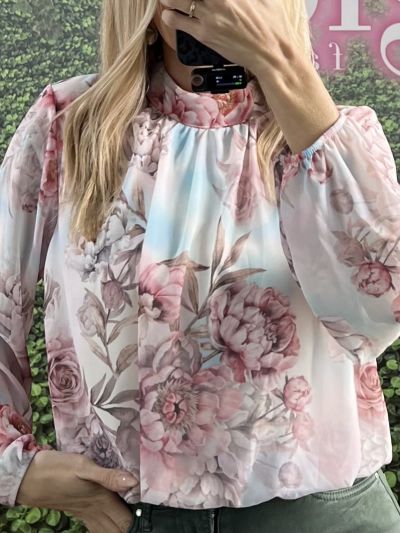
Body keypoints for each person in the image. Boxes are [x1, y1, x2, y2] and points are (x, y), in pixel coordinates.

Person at [1, 0, 400, 531]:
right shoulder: (69, 125)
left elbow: (381, 313)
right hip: (134, 515)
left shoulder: (333, 139)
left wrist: (283, 68)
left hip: (321, 514)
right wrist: (16, 470)